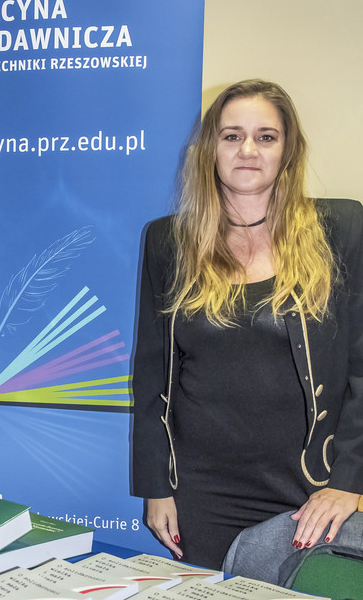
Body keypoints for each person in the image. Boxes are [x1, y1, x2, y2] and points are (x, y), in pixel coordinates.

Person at [132, 79, 363, 569]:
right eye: (232, 136)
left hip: (309, 491)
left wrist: (349, 481)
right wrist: (156, 486)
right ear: (210, 149)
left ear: (288, 149)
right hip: (201, 493)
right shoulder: (168, 241)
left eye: (266, 136)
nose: (248, 150)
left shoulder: (342, 229)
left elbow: (361, 368)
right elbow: (153, 375)